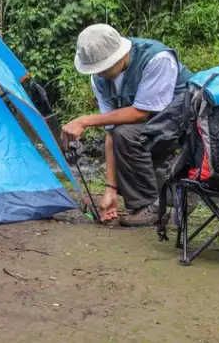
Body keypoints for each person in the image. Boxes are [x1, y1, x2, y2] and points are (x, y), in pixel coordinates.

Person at [61, 24, 192, 227]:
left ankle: (153, 206)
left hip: (184, 123)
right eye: (97, 69)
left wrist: (84, 120)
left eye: (104, 67)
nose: (100, 73)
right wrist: (109, 189)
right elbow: (111, 131)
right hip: (151, 129)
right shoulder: (99, 79)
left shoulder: (157, 58)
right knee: (122, 136)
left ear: (120, 54)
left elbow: (140, 113)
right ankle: (167, 196)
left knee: (128, 135)